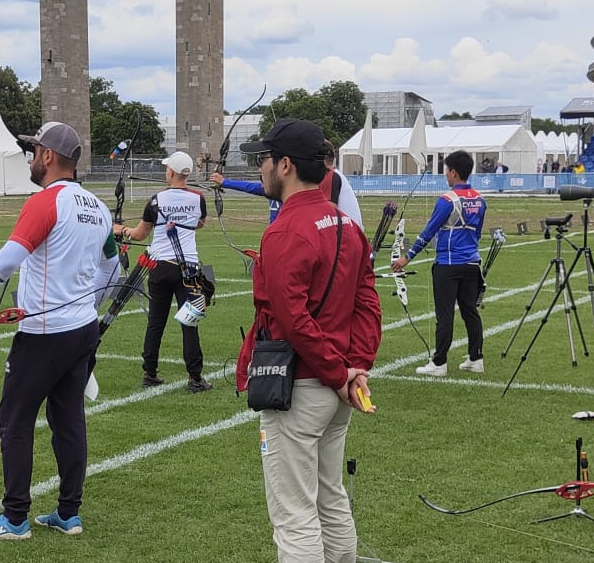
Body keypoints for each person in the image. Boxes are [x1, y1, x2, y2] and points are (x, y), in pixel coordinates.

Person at [233, 119, 381, 563]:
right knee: (330, 498)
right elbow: (367, 301)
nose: (262, 169)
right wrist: (356, 365)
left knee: (295, 511)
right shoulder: (344, 223)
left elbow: (293, 318)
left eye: (265, 159)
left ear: (286, 165)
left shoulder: (287, 230)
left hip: (303, 386)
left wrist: (341, 368)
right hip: (336, 386)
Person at [0, 122, 119, 538]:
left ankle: (14, 518)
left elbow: (9, 258)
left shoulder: (46, 202)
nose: (30, 158)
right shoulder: (97, 208)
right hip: (81, 330)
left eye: (33, 152)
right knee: (68, 419)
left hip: (44, 333)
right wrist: (85, 304)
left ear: (47, 157)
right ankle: (68, 512)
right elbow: (113, 267)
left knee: (15, 418)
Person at [112, 151, 211, 392]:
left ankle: (150, 372)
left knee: (156, 321)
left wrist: (120, 229)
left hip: (159, 266)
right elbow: (200, 223)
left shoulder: (156, 201)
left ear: (171, 173)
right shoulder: (198, 198)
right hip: (188, 268)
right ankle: (195, 377)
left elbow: (139, 234)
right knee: (190, 322)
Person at [392, 148, 487, 376]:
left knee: (444, 315)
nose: (445, 175)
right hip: (472, 263)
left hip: (448, 265)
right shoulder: (480, 200)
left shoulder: (447, 200)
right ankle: (476, 358)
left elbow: (428, 232)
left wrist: (407, 257)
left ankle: (439, 363)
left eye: (446, 171)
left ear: (453, 173)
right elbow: (477, 233)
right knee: (470, 311)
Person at [209, 160, 364, 228]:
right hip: (276, 233)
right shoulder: (271, 191)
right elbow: (250, 187)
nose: (260, 170)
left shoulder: (290, 192)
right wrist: (225, 182)